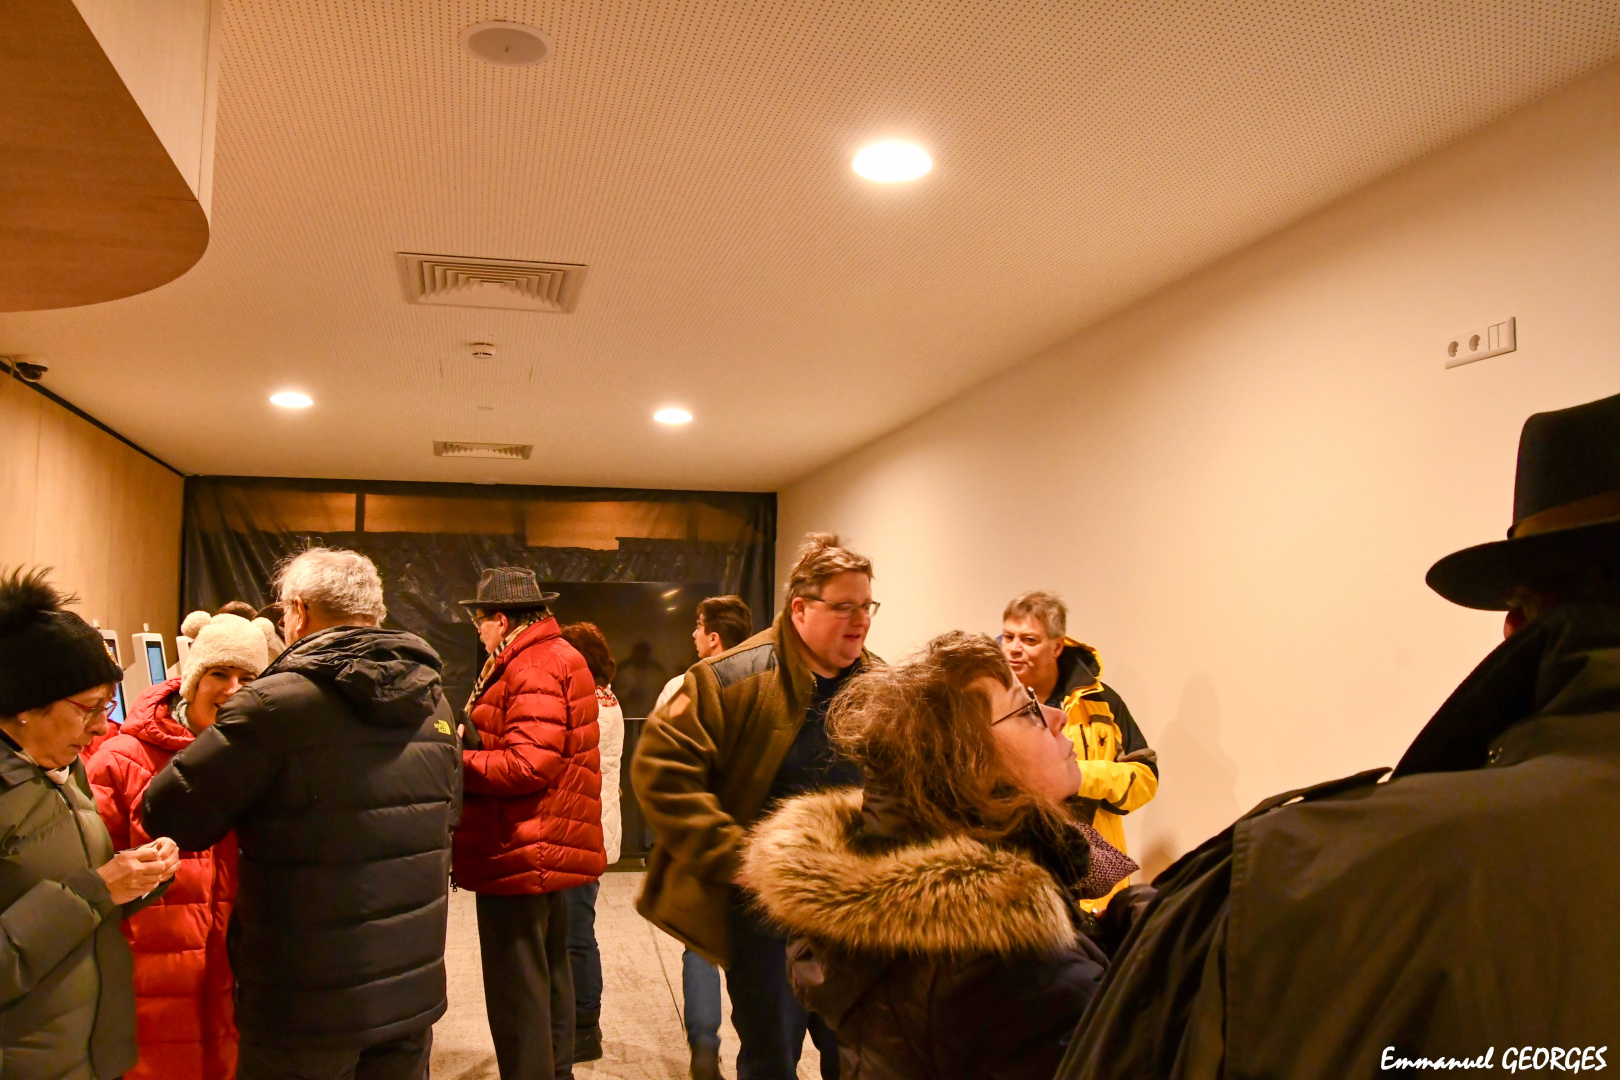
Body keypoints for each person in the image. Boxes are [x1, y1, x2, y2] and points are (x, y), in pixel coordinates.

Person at [1059, 392, 1620, 1079]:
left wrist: (1082, 784)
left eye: (1028, 639)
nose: (1045, 713)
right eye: (1020, 707)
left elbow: (1142, 779)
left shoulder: (1290, 876)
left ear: (1517, 625)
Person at [745, 632, 1131, 1080]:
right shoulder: (1006, 965)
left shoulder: (897, 910)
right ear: (967, 766)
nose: (1057, 716)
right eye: (1027, 710)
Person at [143, 547, 462, 1080]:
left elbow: (170, 815)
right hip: (409, 991)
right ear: (375, 611)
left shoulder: (272, 705)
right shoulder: (434, 702)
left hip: (303, 1001)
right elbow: (448, 814)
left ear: (298, 610)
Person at [634, 535, 877, 1080]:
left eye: (867, 605)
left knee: (862, 1057)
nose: (861, 619)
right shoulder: (727, 678)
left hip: (853, 913)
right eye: (845, 606)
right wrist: (737, 858)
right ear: (801, 609)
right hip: (767, 918)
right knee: (771, 1057)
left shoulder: (880, 686)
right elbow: (662, 770)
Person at [0, 567, 180, 1079]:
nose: (103, 725)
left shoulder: (64, 768)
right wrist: (95, 890)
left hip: (90, 1056)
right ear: (26, 706)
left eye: (107, 706)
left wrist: (136, 877)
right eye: (89, 708)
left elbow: (80, 899)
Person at [88, 612, 278, 1080]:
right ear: (193, 680)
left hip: (234, 980)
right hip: (149, 985)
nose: (232, 689)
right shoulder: (122, 761)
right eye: (219, 673)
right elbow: (88, 880)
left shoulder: (264, 764)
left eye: (247, 678)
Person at [454, 568, 605, 1080]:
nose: (479, 632)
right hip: (540, 844)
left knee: (518, 993)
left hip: (518, 846)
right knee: (547, 980)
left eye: (479, 621)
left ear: (501, 620)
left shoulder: (532, 663)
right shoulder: (553, 655)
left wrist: (455, 761)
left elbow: (527, 764)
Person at [649, 594, 753, 1080]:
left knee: (700, 945)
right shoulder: (769, 683)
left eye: (697, 626)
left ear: (713, 637)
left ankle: (705, 1050)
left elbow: (662, 763)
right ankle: (758, 1046)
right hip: (755, 837)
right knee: (757, 950)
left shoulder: (682, 686)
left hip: (701, 834)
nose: (692, 634)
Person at [1001, 591, 1156, 909]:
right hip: (1013, 879)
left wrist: (1079, 776)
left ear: (1057, 646)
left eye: (1029, 640)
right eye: (1009, 636)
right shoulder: (987, 704)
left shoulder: (1102, 703)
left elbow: (1145, 779)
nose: (1014, 648)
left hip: (1092, 884)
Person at [557, 621, 624, 1065]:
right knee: (573, 930)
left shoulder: (591, 705)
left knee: (576, 934)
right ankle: (578, 1022)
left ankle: (585, 1027)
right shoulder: (605, 698)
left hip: (583, 829)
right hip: (591, 827)